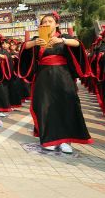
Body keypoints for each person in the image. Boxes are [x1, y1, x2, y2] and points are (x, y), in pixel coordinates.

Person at [19, 12, 92, 153]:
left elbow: (78, 44)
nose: (46, 24)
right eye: (44, 22)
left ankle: (66, 141)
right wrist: (34, 43)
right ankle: (49, 139)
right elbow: (24, 47)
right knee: (45, 107)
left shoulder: (64, 38)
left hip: (63, 77)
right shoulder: (37, 39)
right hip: (43, 77)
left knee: (66, 106)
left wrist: (62, 41)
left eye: (49, 21)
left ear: (56, 24)